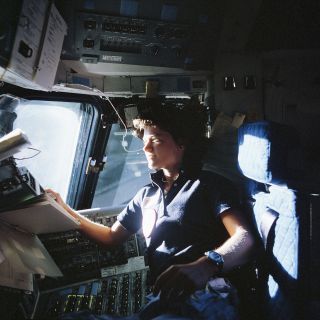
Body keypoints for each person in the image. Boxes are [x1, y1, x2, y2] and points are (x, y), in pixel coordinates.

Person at [47, 100, 256, 320]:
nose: (146, 148)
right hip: (164, 298)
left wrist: (206, 265)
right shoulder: (146, 195)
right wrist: (63, 208)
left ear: (182, 143)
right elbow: (110, 237)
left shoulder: (208, 185)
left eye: (156, 140)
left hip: (207, 293)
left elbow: (245, 239)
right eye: (145, 141)